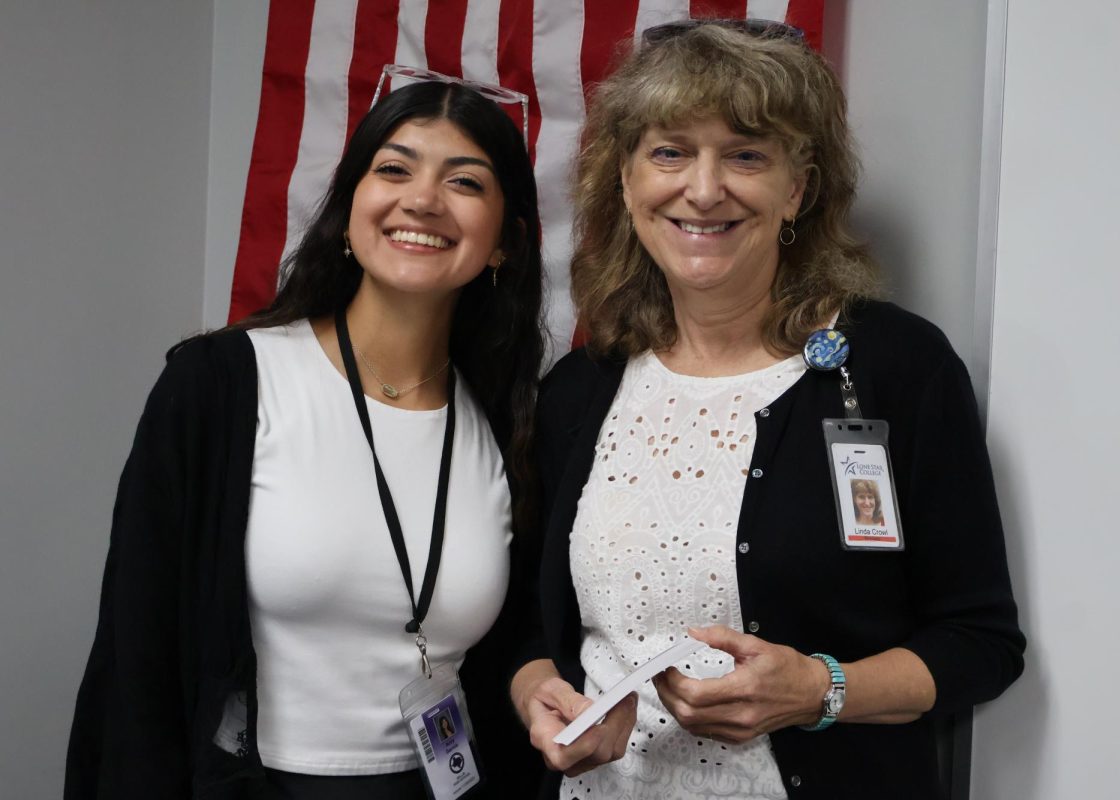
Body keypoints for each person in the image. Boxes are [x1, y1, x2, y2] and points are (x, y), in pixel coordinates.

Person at [509, 19, 1025, 799]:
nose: (704, 189)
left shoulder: (898, 370)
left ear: (799, 187)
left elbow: (980, 643)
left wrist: (822, 690)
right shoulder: (579, 391)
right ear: (625, 179)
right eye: (670, 152)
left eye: (746, 155)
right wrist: (538, 695)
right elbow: (524, 622)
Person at [66, 79, 544, 799]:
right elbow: (138, 660)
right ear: (350, 208)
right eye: (393, 169)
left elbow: (513, 652)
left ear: (504, 241)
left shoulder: (507, 421)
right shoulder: (221, 383)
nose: (422, 199)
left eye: (465, 182)